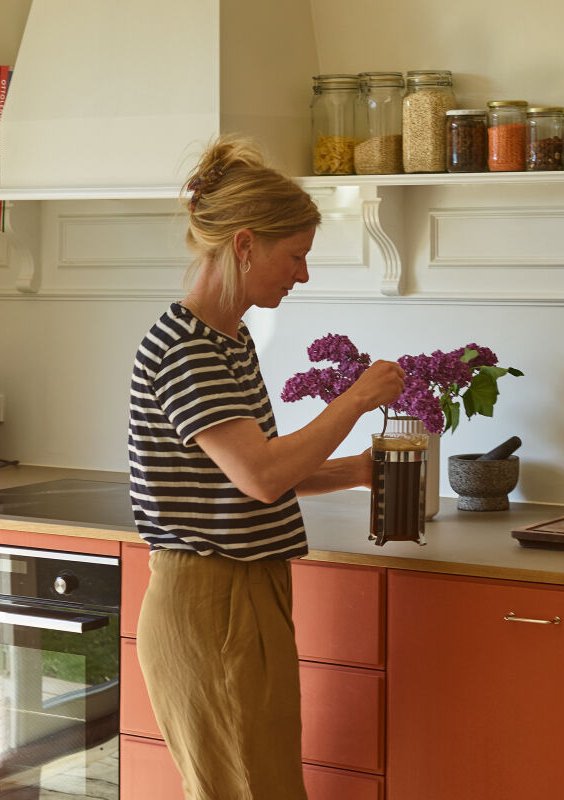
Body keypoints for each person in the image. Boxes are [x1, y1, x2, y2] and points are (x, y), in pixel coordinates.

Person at [127, 135, 405, 800]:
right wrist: (358, 399)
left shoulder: (227, 338)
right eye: (297, 256)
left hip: (245, 592)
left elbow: (255, 472)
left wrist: (358, 470)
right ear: (246, 245)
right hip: (211, 602)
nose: (302, 274)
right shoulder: (187, 350)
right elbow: (262, 476)